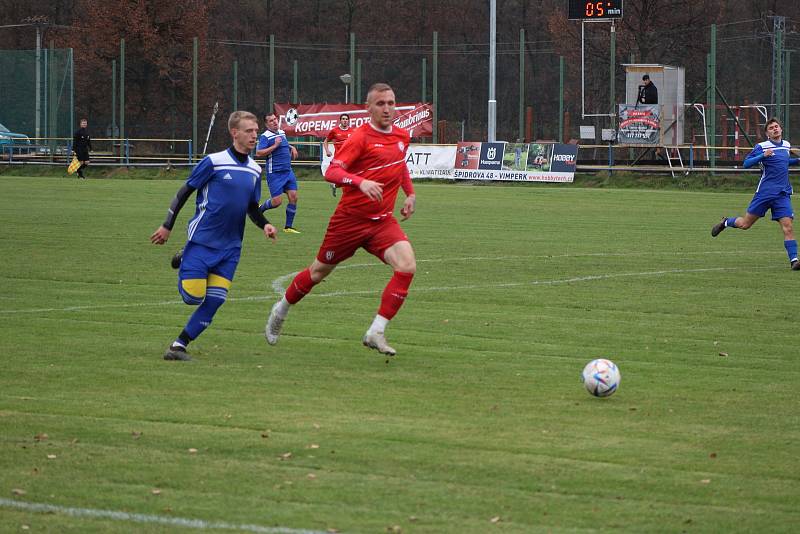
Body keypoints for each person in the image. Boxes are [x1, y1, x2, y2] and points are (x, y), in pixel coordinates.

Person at [265, 83, 416, 356]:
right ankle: (281, 308)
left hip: (382, 221)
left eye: (391, 103)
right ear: (369, 108)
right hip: (349, 221)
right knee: (318, 272)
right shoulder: (359, 138)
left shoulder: (402, 136)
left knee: (406, 266)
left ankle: (376, 331)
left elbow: (400, 164)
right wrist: (360, 182)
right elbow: (333, 172)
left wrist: (410, 193)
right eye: (380, 103)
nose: (387, 108)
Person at [150, 111, 278, 361]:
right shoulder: (214, 161)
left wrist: (265, 224)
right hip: (202, 241)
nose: (255, 135)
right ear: (234, 133)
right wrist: (167, 226)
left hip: (230, 248)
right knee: (193, 297)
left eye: (255, 131)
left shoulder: (254, 169)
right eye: (249, 131)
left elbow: (251, 206)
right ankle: (185, 257)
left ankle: (178, 346)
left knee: (216, 300)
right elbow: (184, 193)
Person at [711, 117, 800, 270]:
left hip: (782, 194)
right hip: (764, 194)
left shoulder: (786, 145)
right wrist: (762, 156)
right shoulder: (762, 146)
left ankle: (794, 261)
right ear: (767, 133)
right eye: (771, 128)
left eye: (776, 126)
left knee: (788, 227)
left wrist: (797, 160)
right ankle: (726, 222)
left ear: (781, 129)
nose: (775, 129)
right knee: (745, 224)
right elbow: (746, 163)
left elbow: (784, 161)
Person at [257, 113, 301, 233]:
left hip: (288, 171)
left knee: (294, 197)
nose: (275, 122)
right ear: (266, 124)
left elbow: (283, 144)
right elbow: (259, 153)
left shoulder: (281, 132)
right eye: (271, 121)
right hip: (275, 173)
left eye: (275, 119)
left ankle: (288, 227)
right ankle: (260, 209)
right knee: (277, 202)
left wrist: (291, 147)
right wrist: (275, 146)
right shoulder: (265, 137)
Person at [323, 113, 354, 197]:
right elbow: (326, 141)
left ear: (348, 121)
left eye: (346, 119)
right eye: (343, 119)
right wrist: (327, 151)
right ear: (340, 120)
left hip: (350, 159)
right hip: (339, 159)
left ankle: (334, 186)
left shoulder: (353, 131)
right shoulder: (334, 131)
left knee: (348, 179)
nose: (345, 121)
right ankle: (346, 195)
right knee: (344, 178)